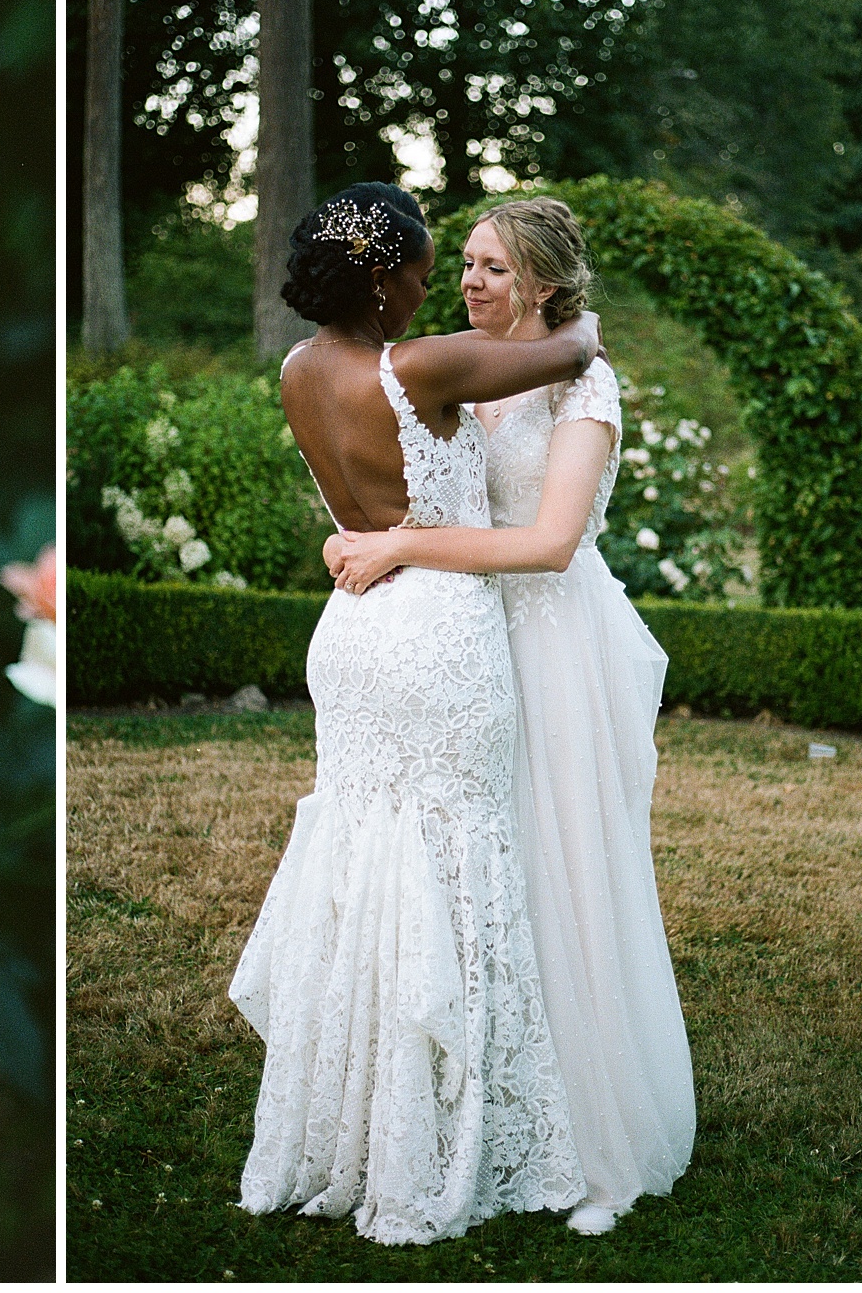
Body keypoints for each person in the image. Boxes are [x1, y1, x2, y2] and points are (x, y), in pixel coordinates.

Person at [230, 183, 600, 1246]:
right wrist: (560, 300)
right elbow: (573, 351)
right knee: (455, 869)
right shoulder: (418, 365)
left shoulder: (301, 370)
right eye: (428, 275)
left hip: (351, 630)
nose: (437, 293)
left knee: (362, 864)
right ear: (384, 279)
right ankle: (441, 1133)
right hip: (438, 630)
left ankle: (340, 1126)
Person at [325, 197, 696, 1236]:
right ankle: (479, 1113)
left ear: (541, 284)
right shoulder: (467, 373)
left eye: (492, 269)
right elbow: (425, 491)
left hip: (555, 644)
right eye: (467, 267)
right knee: (484, 887)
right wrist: (361, 538)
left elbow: (549, 542)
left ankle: (602, 1154)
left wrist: (399, 546)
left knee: (566, 876)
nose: (470, 283)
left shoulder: (586, 385)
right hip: (465, 649)